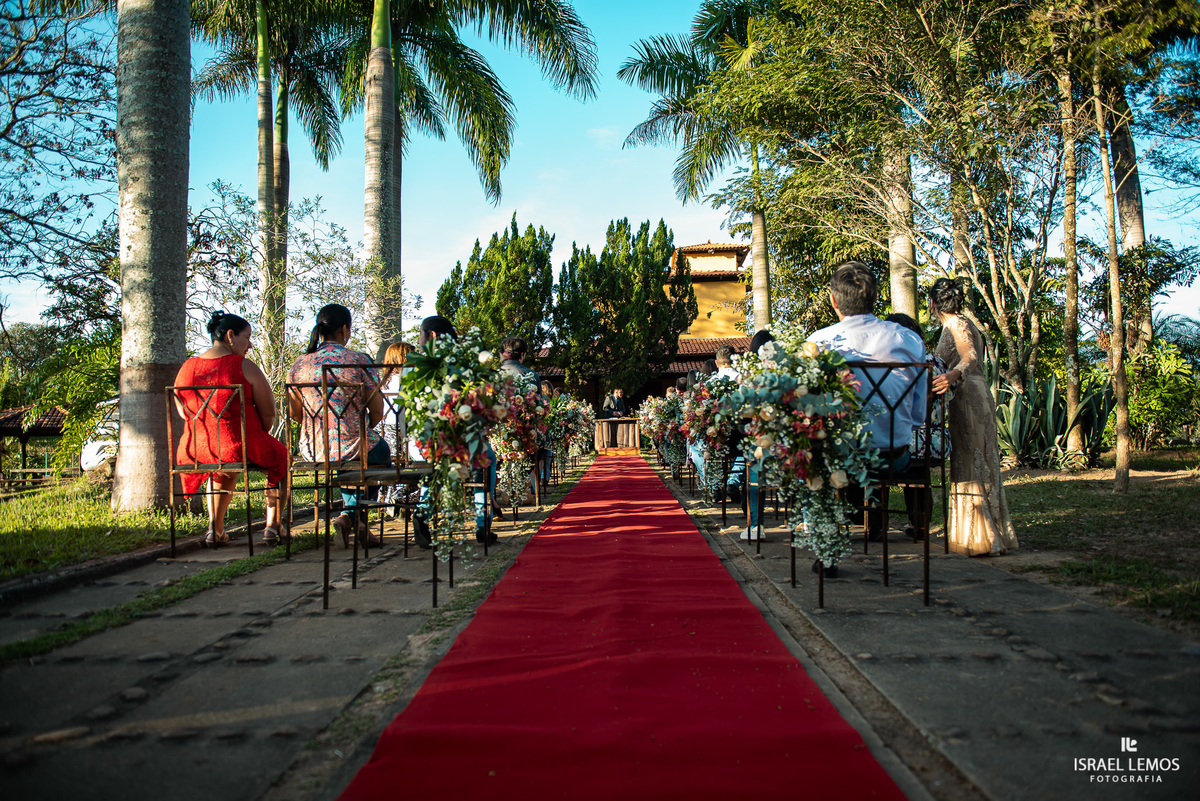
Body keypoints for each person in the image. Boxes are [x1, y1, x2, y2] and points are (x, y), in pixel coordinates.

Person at [808, 262, 927, 574]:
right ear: (875, 297)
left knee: (813, 459)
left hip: (839, 461)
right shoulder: (910, 341)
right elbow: (918, 415)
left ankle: (827, 548)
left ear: (834, 301)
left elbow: (807, 413)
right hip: (895, 456)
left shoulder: (818, 343)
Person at [174, 311, 289, 548]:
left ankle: (214, 530)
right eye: (247, 337)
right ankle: (272, 525)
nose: (250, 344)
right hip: (237, 443)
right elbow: (268, 412)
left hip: (195, 448)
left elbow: (182, 411)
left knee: (223, 465)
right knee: (279, 455)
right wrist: (258, 432)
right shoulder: (243, 366)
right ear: (230, 336)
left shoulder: (187, 367)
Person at [929, 278, 1019, 556]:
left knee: (970, 462)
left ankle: (978, 536)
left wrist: (953, 374)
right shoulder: (964, 322)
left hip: (968, 394)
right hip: (976, 393)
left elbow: (968, 357)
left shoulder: (956, 324)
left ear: (933, 303)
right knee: (979, 461)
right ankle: (988, 533)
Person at [287, 304, 388, 548]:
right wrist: (359, 428)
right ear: (345, 329)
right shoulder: (359, 360)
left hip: (313, 448)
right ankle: (353, 518)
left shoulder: (299, 365)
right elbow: (377, 410)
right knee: (378, 453)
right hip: (353, 444)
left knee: (350, 456)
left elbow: (294, 413)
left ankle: (351, 518)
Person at [411, 315, 499, 548]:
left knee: (438, 460)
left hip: (420, 444)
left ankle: (423, 512)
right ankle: (483, 524)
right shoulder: (462, 363)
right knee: (487, 458)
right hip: (457, 439)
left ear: (430, 335)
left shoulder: (414, 364)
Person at [885, 312, 950, 541]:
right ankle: (920, 524)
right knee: (915, 463)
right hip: (937, 443)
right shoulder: (936, 362)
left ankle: (874, 524)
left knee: (878, 451)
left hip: (901, 441)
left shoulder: (888, 365)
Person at [726, 330, 775, 542]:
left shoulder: (748, 377)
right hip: (792, 443)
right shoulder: (788, 371)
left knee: (755, 456)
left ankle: (756, 526)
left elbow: (741, 415)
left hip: (760, 443)